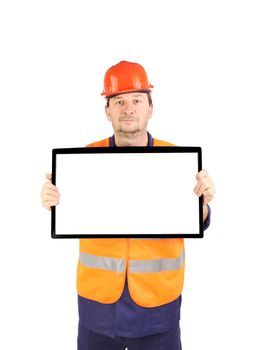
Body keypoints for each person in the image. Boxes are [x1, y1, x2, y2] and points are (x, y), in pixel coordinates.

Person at [40, 60, 215, 350]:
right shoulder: (84, 160)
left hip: (158, 305)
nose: (128, 108)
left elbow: (198, 218)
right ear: (107, 111)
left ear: (150, 108)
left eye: (136, 100)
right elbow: (72, 211)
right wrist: (56, 202)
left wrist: (203, 206)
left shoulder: (176, 160)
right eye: (118, 101)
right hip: (98, 306)